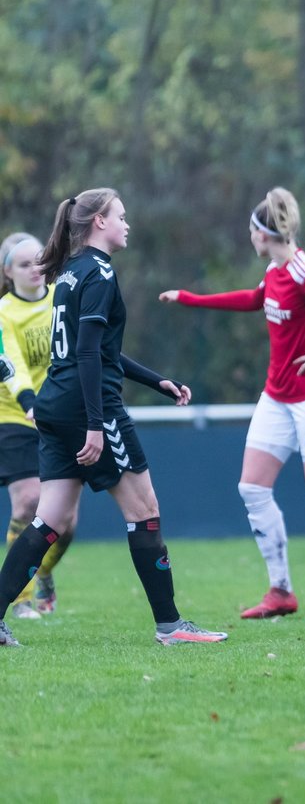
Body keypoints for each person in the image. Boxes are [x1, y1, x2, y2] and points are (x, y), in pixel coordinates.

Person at [0, 189, 226, 647]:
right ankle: (171, 626)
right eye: (122, 216)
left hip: (54, 406)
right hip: (86, 408)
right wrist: (96, 424)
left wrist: (155, 380)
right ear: (99, 221)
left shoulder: (69, 273)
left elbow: (100, 350)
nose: (128, 224)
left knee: (49, 520)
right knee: (144, 511)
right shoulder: (99, 272)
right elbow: (86, 352)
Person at [160, 187, 305, 621]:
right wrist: (190, 299)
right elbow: (253, 299)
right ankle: (281, 591)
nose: (250, 238)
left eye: (251, 231)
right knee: (252, 487)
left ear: (263, 234)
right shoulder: (275, 270)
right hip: (278, 396)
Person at [0, 233, 75, 620]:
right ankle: (19, 597)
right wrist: (29, 402)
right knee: (30, 501)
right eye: (24, 264)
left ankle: (41, 569)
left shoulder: (60, 299)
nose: (35, 270)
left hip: (56, 415)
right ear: (7, 272)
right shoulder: (4, 312)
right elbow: (9, 360)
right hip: (13, 414)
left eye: (40, 261)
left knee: (65, 522)